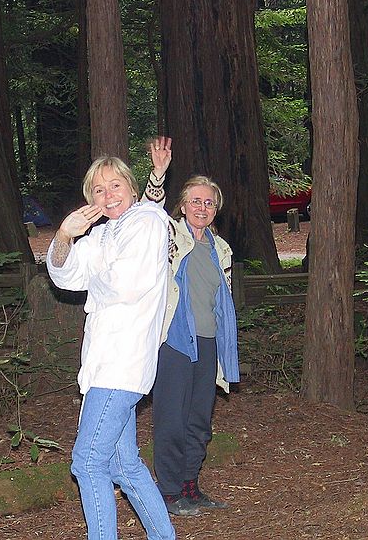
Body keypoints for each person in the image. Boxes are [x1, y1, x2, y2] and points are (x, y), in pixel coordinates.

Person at [46, 156, 176, 540]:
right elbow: (66, 275)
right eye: (99, 190)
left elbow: (126, 285)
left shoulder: (148, 222)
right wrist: (65, 236)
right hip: (101, 365)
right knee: (124, 465)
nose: (108, 195)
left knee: (87, 463)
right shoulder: (100, 236)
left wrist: (95, 277)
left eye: (115, 185)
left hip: (124, 363)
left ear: (132, 189)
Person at [144, 137, 240, 516]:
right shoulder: (168, 236)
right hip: (174, 341)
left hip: (209, 342)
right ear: (182, 206)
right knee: (172, 418)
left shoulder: (220, 249)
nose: (202, 207)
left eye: (209, 202)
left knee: (199, 420)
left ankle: (190, 486)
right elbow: (147, 213)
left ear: (216, 209)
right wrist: (158, 174)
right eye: (195, 201)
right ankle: (168, 492)